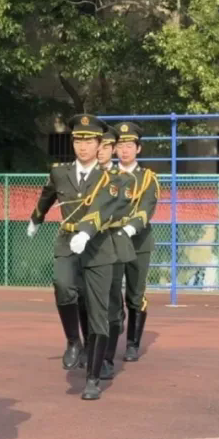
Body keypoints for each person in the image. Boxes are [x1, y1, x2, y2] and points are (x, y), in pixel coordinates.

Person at [30, 114, 131, 400]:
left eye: (88, 141)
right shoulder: (60, 173)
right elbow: (48, 194)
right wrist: (36, 218)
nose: (82, 146)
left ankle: (93, 378)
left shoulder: (112, 179)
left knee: (98, 313)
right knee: (63, 286)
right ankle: (73, 341)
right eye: (77, 140)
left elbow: (102, 207)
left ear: (99, 144)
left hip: (98, 246)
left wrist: (86, 232)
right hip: (66, 241)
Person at [113, 122, 159, 362]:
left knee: (135, 294)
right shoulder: (106, 176)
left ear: (138, 149)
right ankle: (116, 318)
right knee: (109, 291)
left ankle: (132, 344)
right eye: (120, 145)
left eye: (129, 145)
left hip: (137, 242)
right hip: (110, 242)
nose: (124, 150)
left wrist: (130, 227)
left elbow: (147, 207)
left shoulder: (148, 178)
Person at [99, 125, 137, 380]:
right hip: (85, 248)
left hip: (112, 244)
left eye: (106, 147)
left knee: (111, 304)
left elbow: (120, 209)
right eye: (98, 146)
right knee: (83, 301)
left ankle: (106, 358)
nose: (100, 151)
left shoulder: (124, 179)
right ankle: (88, 348)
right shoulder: (81, 177)